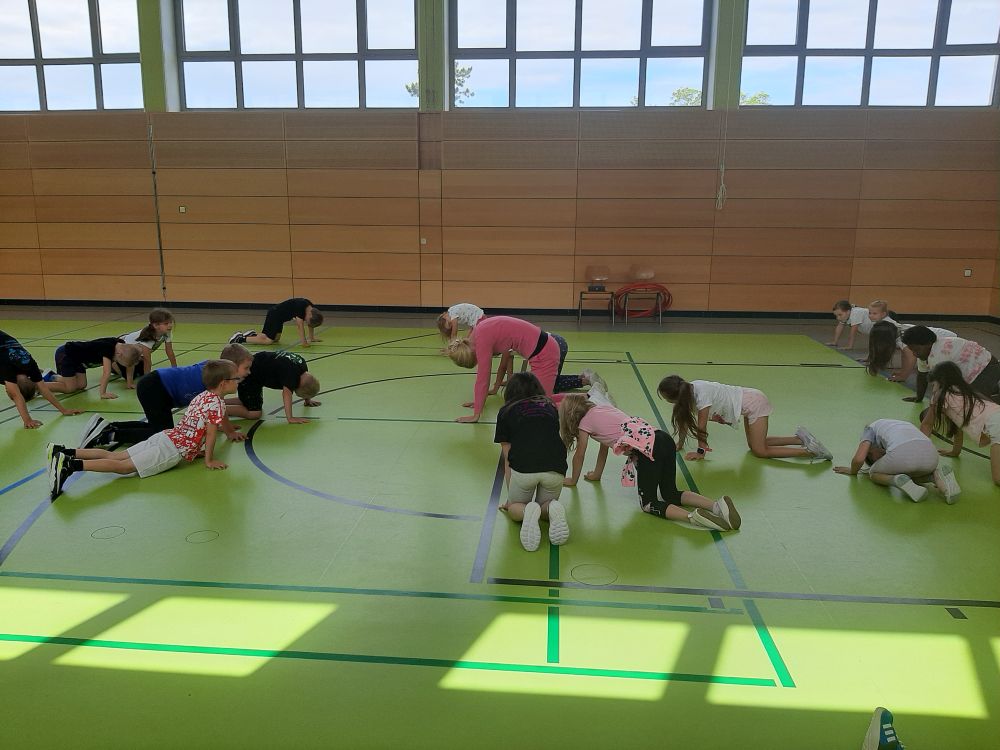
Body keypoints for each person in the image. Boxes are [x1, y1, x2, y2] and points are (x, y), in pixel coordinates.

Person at [47, 359, 242, 500]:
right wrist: (209, 459)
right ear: (223, 383)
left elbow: (192, 424)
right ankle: (69, 465)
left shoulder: (202, 395)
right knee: (123, 467)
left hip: (166, 436)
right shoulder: (217, 404)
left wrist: (194, 449)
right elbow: (210, 433)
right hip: (171, 450)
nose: (238, 381)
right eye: (236, 379)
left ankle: (64, 451)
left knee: (117, 456)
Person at [77, 344, 252, 449]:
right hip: (155, 388)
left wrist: (225, 428)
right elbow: (216, 408)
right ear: (233, 366)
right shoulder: (214, 379)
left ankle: (108, 426)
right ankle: (108, 435)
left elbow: (218, 407)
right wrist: (227, 432)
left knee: (158, 427)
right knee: (162, 435)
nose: (249, 372)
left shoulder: (216, 370)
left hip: (157, 387)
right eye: (246, 368)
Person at [443, 316, 588, 423]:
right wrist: (478, 402)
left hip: (545, 353)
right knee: (541, 400)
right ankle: (587, 397)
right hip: (544, 349)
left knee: (543, 405)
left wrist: (476, 414)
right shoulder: (477, 333)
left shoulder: (481, 341)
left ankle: (589, 401)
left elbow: (483, 379)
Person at [657, 375, 832, 462]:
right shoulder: (689, 391)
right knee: (755, 444)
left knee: (760, 451)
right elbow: (683, 421)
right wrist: (679, 444)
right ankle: (799, 439)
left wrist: (700, 453)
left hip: (754, 403)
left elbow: (702, 427)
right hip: (749, 400)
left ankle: (812, 451)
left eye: (666, 398)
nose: (666, 401)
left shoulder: (701, 396)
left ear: (675, 396)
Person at [613, 416, 740, 530]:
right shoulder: (612, 412)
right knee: (670, 493)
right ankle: (717, 506)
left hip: (649, 447)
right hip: (664, 438)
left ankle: (694, 517)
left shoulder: (599, 424)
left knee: (648, 503)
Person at [494, 373, 570, 552]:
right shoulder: (550, 406)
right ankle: (553, 507)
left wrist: (510, 499)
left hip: (524, 468)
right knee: (544, 510)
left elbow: (508, 456)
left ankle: (526, 511)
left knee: (515, 508)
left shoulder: (506, 411)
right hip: (556, 465)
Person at [833, 418, 959, 503]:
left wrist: (853, 471)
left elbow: (859, 458)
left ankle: (896, 480)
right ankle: (937, 478)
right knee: (911, 473)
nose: (876, 459)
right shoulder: (899, 424)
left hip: (903, 453)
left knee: (873, 473)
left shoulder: (869, 429)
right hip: (932, 454)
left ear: (870, 451)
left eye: (871, 456)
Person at [920, 361, 1000, 487]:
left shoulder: (941, 395)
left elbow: (927, 424)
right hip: (997, 418)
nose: (933, 389)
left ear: (941, 382)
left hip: (996, 426)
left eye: (933, 385)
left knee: (998, 478)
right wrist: (955, 451)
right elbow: (957, 427)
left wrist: (919, 450)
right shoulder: (963, 392)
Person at [0, 329, 83, 429]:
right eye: (8, 390)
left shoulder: (29, 366)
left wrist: (64, 410)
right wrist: (27, 420)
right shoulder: (18, 367)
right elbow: (17, 395)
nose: (6, 389)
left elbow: (43, 390)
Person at [899, 326, 1000, 403]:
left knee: (974, 403)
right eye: (912, 350)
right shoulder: (924, 353)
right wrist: (919, 397)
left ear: (928, 343)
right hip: (981, 366)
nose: (914, 354)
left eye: (916, 350)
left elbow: (940, 387)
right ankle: (993, 388)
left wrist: (933, 407)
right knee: (963, 396)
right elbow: (922, 375)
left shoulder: (938, 356)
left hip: (987, 368)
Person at [224, 350, 321, 424]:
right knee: (254, 413)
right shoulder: (291, 376)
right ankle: (221, 409)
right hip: (251, 375)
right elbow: (286, 394)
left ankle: (221, 402)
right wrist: (290, 418)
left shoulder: (302, 366)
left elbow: (306, 384)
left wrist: (307, 400)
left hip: (257, 362)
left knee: (246, 400)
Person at [558, 392, 633, 487]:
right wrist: (596, 475)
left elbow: (579, 455)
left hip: (639, 448)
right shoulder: (602, 408)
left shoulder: (585, 423)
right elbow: (604, 447)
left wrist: (573, 480)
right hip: (645, 437)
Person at [43, 337, 143, 399]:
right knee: (70, 388)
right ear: (119, 354)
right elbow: (106, 373)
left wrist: (130, 382)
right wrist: (103, 393)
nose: (116, 362)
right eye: (118, 361)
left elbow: (130, 365)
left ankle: (52, 377)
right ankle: (38, 386)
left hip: (77, 360)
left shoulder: (121, 345)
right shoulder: (108, 349)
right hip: (66, 354)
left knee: (81, 385)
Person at [865, 320, 956, 381]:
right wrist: (902, 371)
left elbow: (911, 357)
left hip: (946, 339)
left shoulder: (903, 337)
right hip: (943, 336)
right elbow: (904, 355)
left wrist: (903, 376)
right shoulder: (897, 331)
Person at [115, 308, 178, 387]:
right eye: (166, 323)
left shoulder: (166, 332)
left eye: (171, 322)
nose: (170, 325)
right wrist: (144, 382)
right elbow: (147, 361)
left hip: (136, 355)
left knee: (141, 372)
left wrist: (175, 370)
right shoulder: (148, 337)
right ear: (156, 325)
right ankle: (114, 365)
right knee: (131, 372)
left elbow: (169, 351)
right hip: (122, 351)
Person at [229, 297, 323, 347]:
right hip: (274, 315)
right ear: (310, 315)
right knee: (268, 341)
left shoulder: (310, 308)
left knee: (276, 339)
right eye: (307, 320)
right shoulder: (300, 307)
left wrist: (312, 338)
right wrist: (304, 343)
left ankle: (252, 335)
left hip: (279, 319)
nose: (306, 321)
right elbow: (300, 326)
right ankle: (240, 338)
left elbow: (310, 324)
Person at [828, 300, 895, 350]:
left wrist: (849, 346)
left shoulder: (855, 314)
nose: (838, 318)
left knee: (891, 338)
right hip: (876, 327)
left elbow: (853, 332)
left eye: (840, 315)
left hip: (887, 322)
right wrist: (835, 342)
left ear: (848, 311)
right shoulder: (845, 316)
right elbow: (840, 326)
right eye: (836, 315)